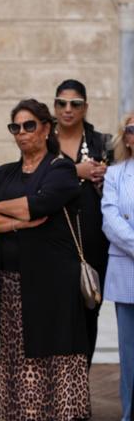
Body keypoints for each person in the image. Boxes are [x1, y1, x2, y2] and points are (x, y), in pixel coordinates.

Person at [0, 99, 90, 421]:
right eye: (16, 127)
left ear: (46, 128)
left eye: (29, 125)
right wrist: (19, 222)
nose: (22, 133)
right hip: (8, 285)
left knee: (51, 352)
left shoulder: (62, 169)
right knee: (13, 356)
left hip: (52, 285)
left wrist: (5, 208)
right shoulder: (4, 173)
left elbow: (37, 206)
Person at [54, 78, 112, 366]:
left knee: (89, 311)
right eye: (61, 103)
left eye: (75, 104)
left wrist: (105, 180)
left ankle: (79, 389)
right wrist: (74, 170)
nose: (68, 110)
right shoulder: (43, 140)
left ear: (85, 107)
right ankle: (58, 388)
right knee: (57, 316)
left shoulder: (102, 143)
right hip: (52, 243)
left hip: (92, 244)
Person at [101, 111, 134, 421]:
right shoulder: (115, 174)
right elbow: (111, 222)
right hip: (127, 273)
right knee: (129, 355)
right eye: (132, 129)